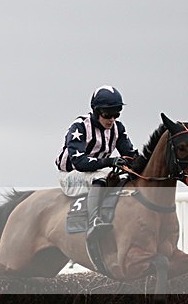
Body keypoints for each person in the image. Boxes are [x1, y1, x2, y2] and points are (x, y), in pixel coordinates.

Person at [55, 85, 140, 240]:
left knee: (122, 179)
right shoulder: (79, 127)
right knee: (100, 177)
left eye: (117, 114)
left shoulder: (118, 128)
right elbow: (80, 162)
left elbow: (131, 155)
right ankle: (94, 221)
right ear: (96, 111)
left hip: (95, 171)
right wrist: (111, 161)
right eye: (108, 114)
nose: (112, 119)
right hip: (71, 176)